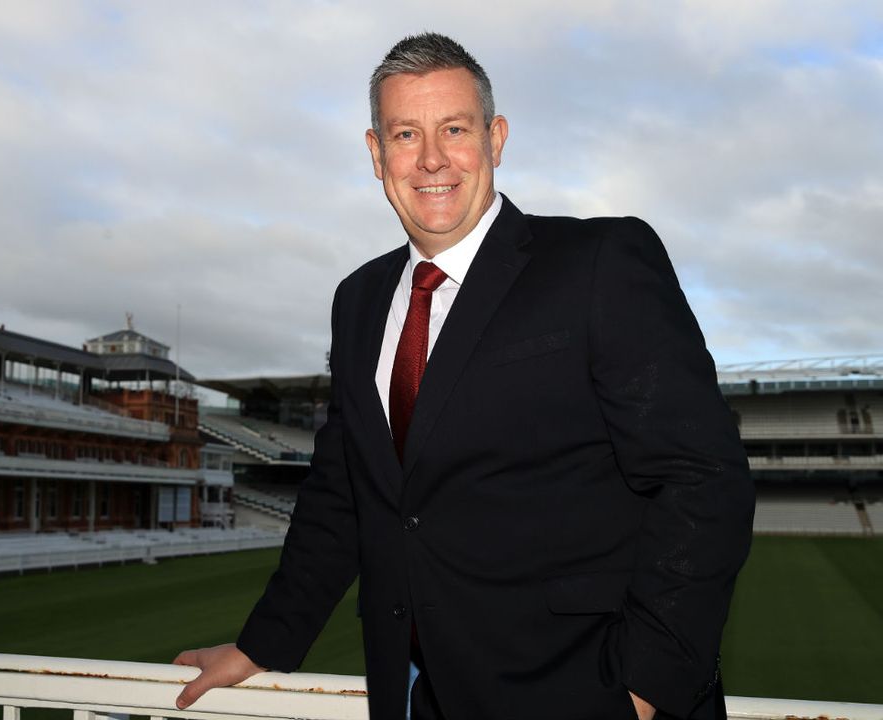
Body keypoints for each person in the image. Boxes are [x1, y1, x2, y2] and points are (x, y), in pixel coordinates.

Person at [174, 32, 753, 720]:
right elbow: (344, 493)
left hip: (582, 690)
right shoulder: (357, 302)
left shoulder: (598, 261)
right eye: (405, 134)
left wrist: (644, 689)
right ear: (375, 153)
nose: (431, 159)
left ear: (496, 137)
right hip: (420, 695)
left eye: (454, 128)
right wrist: (263, 642)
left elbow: (703, 478)